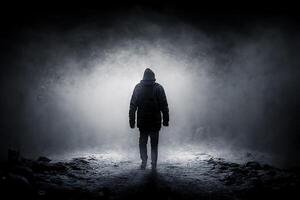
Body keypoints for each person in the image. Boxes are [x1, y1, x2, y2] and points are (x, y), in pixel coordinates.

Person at [129, 68, 169, 171]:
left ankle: (144, 162)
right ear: (153, 77)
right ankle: (154, 163)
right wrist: (165, 120)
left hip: (143, 122)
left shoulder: (138, 88)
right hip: (155, 122)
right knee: (154, 144)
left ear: (143, 77)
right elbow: (164, 105)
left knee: (142, 142)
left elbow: (133, 106)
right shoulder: (159, 88)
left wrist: (132, 121)